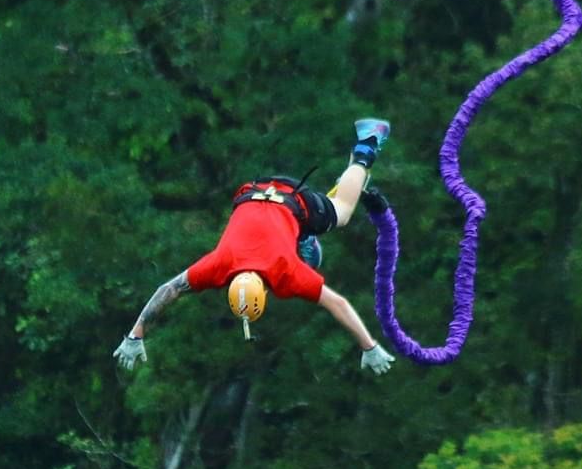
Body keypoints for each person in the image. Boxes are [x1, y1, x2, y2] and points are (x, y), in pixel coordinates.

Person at [112, 119, 396, 375]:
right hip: (253, 191)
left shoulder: (286, 272)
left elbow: (337, 304)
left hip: (296, 201)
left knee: (342, 211)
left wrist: (369, 347)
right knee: (300, 243)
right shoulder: (221, 263)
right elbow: (169, 290)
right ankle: (303, 239)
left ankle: (368, 142)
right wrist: (133, 336)